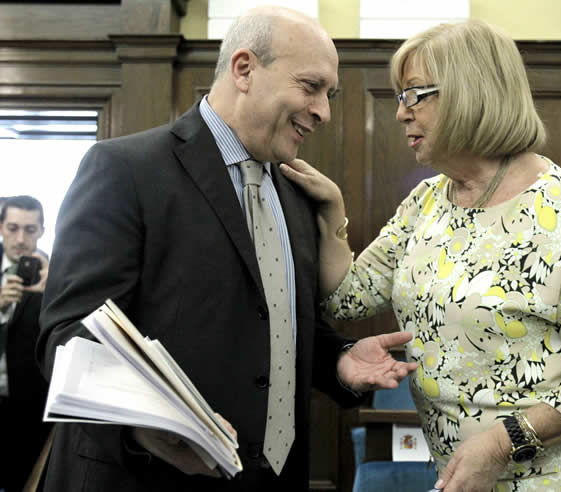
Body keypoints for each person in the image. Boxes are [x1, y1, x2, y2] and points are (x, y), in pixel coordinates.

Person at [36, 6, 417, 492]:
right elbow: (70, 338)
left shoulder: (298, 193)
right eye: (311, 86)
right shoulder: (124, 170)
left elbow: (274, 322)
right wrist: (151, 426)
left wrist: (340, 359)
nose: (323, 111)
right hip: (143, 477)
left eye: (331, 95)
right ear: (244, 69)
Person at [280, 20, 561, 492]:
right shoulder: (428, 200)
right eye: (399, 97)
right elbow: (346, 300)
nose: (401, 113)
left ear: (470, 92)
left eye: (414, 94)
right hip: (457, 476)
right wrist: (333, 213)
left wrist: (499, 444)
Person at [0, 195, 50, 492]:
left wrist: (53, 291)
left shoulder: (56, 273)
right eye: (13, 228)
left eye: (30, 230)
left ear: (42, 230)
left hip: (29, 411)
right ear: (1, 227)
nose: (21, 239)